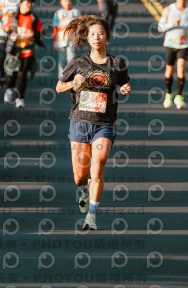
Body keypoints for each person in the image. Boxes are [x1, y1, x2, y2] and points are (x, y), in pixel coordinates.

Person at [55, 16, 131, 230]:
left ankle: (92, 216)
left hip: (104, 124)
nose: (97, 38)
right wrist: (73, 83)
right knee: (80, 177)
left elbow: (124, 83)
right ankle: (85, 190)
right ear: (87, 38)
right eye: (93, 34)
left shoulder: (117, 63)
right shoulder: (78, 62)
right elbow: (59, 87)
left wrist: (125, 88)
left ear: (107, 37)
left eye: (101, 34)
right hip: (80, 122)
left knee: (97, 169)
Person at [157, 0, 188, 109]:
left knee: (181, 69)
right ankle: (168, 94)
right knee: (169, 69)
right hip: (170, 44)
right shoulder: (168, 10)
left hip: (184, 44)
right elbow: (160, 27)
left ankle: (179, 96)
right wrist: (171, 24)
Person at [4, 0, 45, 108]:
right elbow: (6, 29)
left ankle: (20, 98)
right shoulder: (13, 16)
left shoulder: (34, 18)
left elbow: (41, 32)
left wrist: (34, 35)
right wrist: (11, 35)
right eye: (27, 3)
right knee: (12, 73)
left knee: (22, 75)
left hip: (27, 50)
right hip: (14, 49)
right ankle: (9, 92)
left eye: (31, 4)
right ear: (20, 4)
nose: (29, 6)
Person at [52, 0, 82, 77]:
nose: (67, 3)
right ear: (60, 2)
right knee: (61, 60)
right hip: (61, 41)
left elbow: (80, 27)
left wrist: (80, 39)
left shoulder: (76, 12)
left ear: (71, 1)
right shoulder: (58, 13)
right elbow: (55, 28)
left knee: (71, 59)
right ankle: (62, 78)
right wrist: (55, 41)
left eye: (69, 1)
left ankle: (72, 77)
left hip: (72, 41)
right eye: (65, 1)